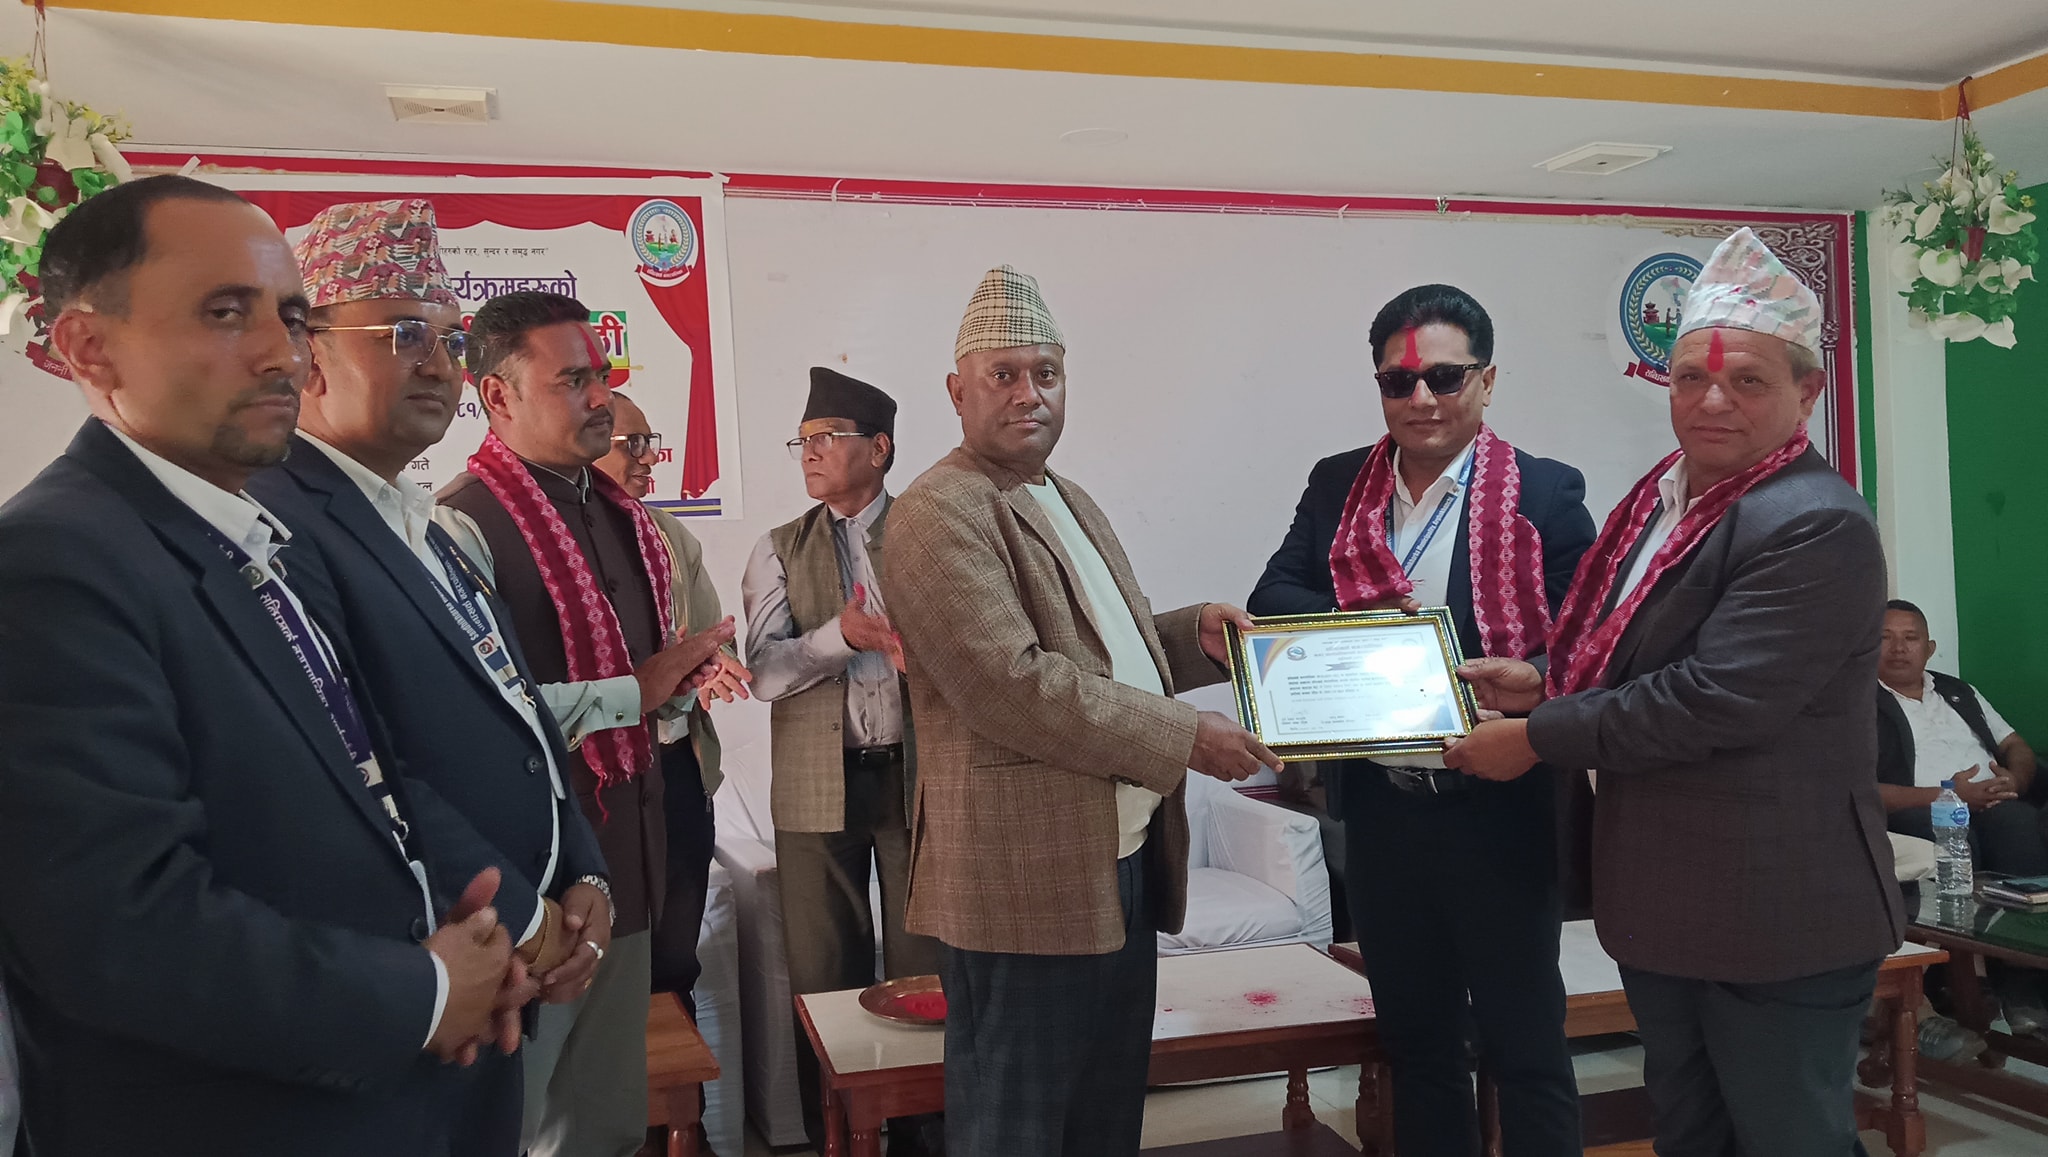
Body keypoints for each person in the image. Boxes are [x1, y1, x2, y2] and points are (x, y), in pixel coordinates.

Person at [0, 175, 523, 1154]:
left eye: (288, 316)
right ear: (88, 347)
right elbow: (119, 930)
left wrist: (482, 939)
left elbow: (365, 782)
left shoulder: (252, 538)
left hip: (396, 1088)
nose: (283, 353)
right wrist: (424, 992)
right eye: (224, 312)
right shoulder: (52, 563)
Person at [1446, 228, 1904, 1157]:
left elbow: (1714, 698)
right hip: (1666, 901)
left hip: (1776, 910)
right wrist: (1546, 683)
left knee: (1789, 1141)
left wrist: (1536, 736)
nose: (1712, 400)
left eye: (1748, 381)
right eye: (1692, 377)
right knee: (1692, 1136)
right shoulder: (1666, 497)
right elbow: (1639, 650)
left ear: (1809, 392)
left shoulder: (1814, 520)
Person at [882, 265, 1280, 1157]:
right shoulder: (937, 511)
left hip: (1115, 860)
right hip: (1023, 879)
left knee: (1104, 1121)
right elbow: (1013, 686)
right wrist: (1185, 736)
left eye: (1046, 373)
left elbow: (1100, 649)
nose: (1029, 393)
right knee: (1016, 1129)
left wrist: (1191, 637)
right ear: (957, 390)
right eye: (1003, 375)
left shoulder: (1065, 495)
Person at [244, 199, 613, 1153]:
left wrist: (584, 869)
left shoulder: (419, 522)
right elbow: (357, 763)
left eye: (449, 339)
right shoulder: (275, 526)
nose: (441, 364)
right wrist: (525, 922)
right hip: (418, 974)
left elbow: (519, 715)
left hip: (499, 969)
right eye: (403, 333)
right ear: (308, 352)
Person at [1249, 283, 1595, 1157]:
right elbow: (1273, 597)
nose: (1422, 399)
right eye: (1397, 381)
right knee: (1419, 1046)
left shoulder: (1545, 492)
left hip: (1502, 806)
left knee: (1526, 1046)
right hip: (1381, 810)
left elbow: (1590, 644)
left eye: (1445, 376)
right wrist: (1372, 622)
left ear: (1487, 381)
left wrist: (1533, 682)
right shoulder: (1339, 484)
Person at [435, 292, 736, 1157]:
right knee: (519, 1124)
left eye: (600, 375)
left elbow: (642, 692)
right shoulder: (460, 524)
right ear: (497, 396)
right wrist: (633, 692)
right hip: (526, 886)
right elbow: (473, 720)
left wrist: (677, 685)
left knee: (606, 1123)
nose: (600, 397)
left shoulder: (628, 522)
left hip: (627, 867)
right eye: (572, 380)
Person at [741, 367, 942, 1152]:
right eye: (803, 441)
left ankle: (925, 1135)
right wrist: (840, 636)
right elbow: (763, 672)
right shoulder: (778, 548)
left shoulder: (931, 534)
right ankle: (835, 1136)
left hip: (920, 778)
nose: (811, 452)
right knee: (823, 978)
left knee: (927, 977)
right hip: (815, 786)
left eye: (828, 437)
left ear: (879, 448)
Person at [591, 390, 751, 1002]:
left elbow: (713, 635)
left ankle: (680, 1066)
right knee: (607, 967)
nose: (648, 458)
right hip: (602, 778)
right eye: (631, 444)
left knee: (675, 959)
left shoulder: (669, 537)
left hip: (677, 767)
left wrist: (714, 665)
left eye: (650, 443)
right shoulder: (545, 542)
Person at [1875, 597, 2046, 1037]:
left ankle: (2024, 983)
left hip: (1993, 801)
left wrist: (2015, 779)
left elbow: (2016, 745)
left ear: (1929, 648)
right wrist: (1952, 795)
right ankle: (1953, 980)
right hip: (1917, 809)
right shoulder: (1856, 702)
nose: (1899, 648)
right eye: (1885, 638)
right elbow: (1859, 790)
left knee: (2019, 826)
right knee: (1954, 844)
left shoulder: (1958, 691)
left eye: (1910, 638)